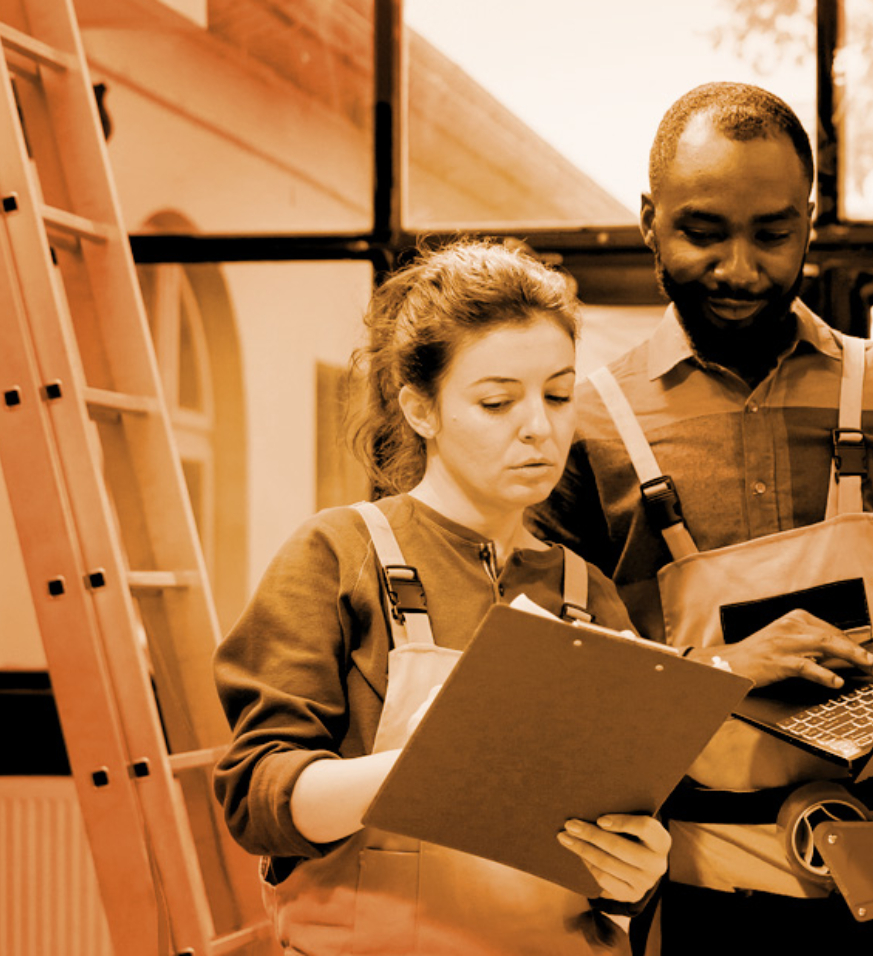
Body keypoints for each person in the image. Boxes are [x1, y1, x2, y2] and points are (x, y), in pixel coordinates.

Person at [529, 82, 873, 956]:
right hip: (695, 882)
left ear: (812, 222)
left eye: (773, 233)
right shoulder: (581, 428)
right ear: (648, 220)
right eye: (703, 232)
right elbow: (562, 700)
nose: (741, 269)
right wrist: (720, 671)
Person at [214, 239, 669, 956]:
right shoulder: (335, 556)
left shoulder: (590, 594)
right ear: (420, 408)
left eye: (556, 394)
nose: (538, 427)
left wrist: (635, 873)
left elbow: (614, 843)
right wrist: (424, 771)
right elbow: (256, 797)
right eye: (496, 401)